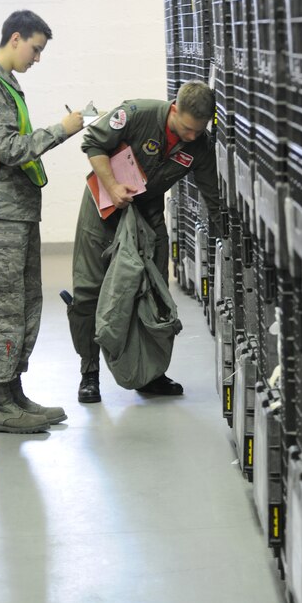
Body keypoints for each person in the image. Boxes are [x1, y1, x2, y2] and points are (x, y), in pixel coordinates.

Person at [0, 10, 84, 434]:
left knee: (25, 303)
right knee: (1, 308)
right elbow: (9, 148)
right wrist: (62, 129)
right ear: (15, 38)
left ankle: (14, 393)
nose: (37, 58)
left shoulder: (6, 84)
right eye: (36, 49)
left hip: (15, 216)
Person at [67, 80, 221, 403]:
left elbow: (212, 197)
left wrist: (227, 236)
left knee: (155, 293)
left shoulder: (200, 145)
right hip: (105, 205)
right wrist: (113, 185)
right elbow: (93, 144)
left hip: (147, 211)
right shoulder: (136, 114)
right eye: (187, 129)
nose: (191, 137)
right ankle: (89, 372)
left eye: (198, 131)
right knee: (88, 291)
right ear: (174, 109)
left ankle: (151, 374)